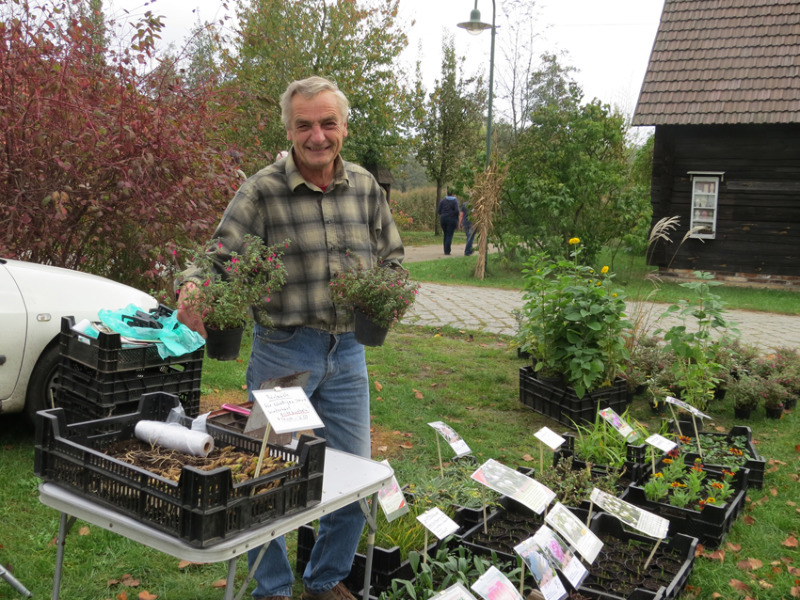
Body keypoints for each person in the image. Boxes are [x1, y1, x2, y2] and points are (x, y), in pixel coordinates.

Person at [176, 76, 404, 600]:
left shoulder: (366, 188)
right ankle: (273, 589)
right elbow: (216, 257)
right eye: (305, 125)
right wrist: (194, 287)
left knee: (356, 475)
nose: (317, 136)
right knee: (265, 478)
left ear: (343, 127)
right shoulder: (262, 191)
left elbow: (391, 257)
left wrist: (385, 290)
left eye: (328, 123)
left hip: (347, 355)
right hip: (285, 354)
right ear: (289, 128)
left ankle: (324, 579)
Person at [437, 188, 459, 255]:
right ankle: (447, 251)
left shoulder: (442, 201)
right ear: (453, 194)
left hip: (443, 218)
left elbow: (439, 211)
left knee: (445, 234)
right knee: (449, 234)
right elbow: (457, 211)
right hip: (451, 219)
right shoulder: (455, 201)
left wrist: (443, 214)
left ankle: (445, 249)